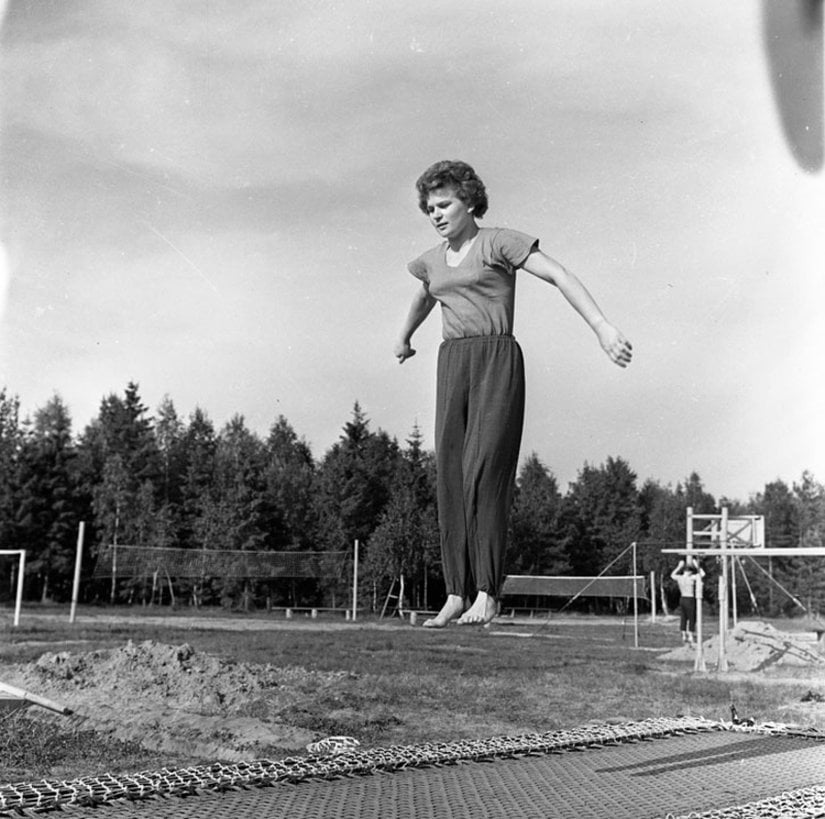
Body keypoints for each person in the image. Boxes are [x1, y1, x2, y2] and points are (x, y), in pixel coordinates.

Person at [394, 160, 632, 628]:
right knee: (450, 476)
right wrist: (404, 337)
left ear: (469, 200)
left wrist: (602, 327)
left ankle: (487, 591)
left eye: (445, 205)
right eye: (429, 209)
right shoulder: (431, 258)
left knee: (484, 473)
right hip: (451, 362)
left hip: (495, 359)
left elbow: (559, 274)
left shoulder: (499, 242)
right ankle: (456, 592)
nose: (436, 214)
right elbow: (426, 293)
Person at [670, 557, 705, 645]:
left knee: (684, 617)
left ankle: (684, 634)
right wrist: (696, 565)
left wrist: (679, 566)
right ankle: (690, 636)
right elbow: (702, 574)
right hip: (690, 599)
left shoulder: (680, 577)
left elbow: (672, 575)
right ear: (690, 572)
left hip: (682, 598)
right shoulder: (691, 578)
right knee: (692, 618)